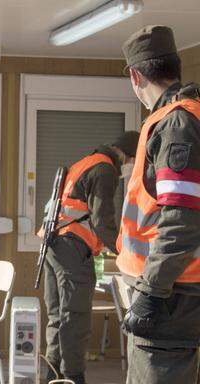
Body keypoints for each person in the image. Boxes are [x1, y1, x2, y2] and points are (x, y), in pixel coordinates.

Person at [118, 25, 200, 384]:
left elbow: (181, 219)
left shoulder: (176, 124)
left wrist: (150, 293)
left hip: (170, 294)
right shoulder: (184, 117)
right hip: (174, 289)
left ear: (136, 76)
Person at [42, 132, 139, 384]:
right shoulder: (105, 170)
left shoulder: (86, 162)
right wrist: (124, 251)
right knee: (75, 316)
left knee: (58, 315)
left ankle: (51, 374)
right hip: (72, 248)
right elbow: (102, 221)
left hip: (52, 245)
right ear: (129, 157)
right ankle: (73, 377)